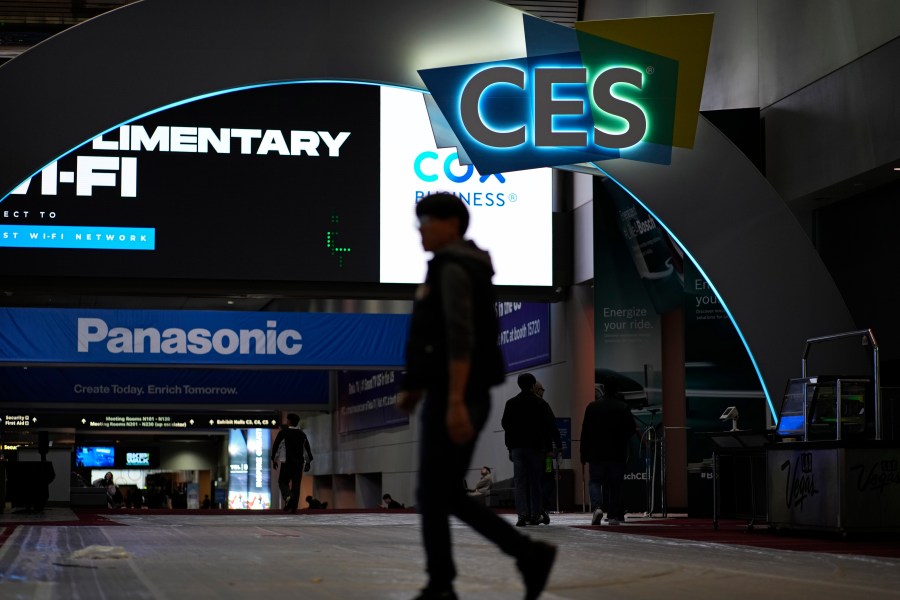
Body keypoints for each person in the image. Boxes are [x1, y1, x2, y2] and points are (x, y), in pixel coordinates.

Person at [398, 192, 556, 600]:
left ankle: (443, 583)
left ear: (451, 222)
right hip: (453, 391)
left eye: (426, 220)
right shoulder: (455, 266)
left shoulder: (455, 268)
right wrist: (416, 385)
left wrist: (452, 400)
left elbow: (459, 336)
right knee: (442, 493)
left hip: (459, 394)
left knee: (433, 493)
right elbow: (433, 338)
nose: (420, 229)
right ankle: (524, 555)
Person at [501, 373, 560, 526]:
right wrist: (558, 445)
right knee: (535, 482)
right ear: (534, 385)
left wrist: (510, 446)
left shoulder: (511, 403)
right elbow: (551, 426)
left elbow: (505, 424)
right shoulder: (540, 403)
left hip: (517, 449)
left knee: (520, 482)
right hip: (535, 448)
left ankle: (522, 515)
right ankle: (535, 515)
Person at [580, 383, 640, 526]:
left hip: (596, 452)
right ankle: (613, 516)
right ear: (617, 390)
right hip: (616, 452)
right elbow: (631, 429)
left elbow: (585, 431)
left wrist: (583, 452)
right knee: (615, 485)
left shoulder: (592, 407)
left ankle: (597, 508)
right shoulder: (623, 407)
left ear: (604, 390)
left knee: (595, 481)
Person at [271, 413, 313, 513]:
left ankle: (288, 496)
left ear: (289, 421)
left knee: (282, 482)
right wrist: (308, 462)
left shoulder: (283, 433)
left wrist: (274, 459)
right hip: (299, 464)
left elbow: (277, 447)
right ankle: (293, 508)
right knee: (296, 485)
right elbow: (306, 449)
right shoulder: (302, 434)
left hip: (287, 463)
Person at [534, 380, 562, 514]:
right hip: (546, 452)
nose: (543, 392)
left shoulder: (518, 404)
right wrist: (559, 446)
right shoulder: (543, 405)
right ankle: (543, 505)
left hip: (528, 451)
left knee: (532, 479)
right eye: (542, 389)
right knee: (548, 478)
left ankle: (532, 507)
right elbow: (553, 427)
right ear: (536, 389)